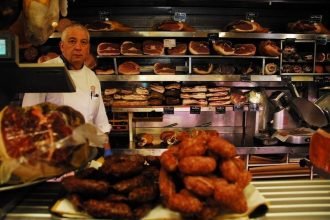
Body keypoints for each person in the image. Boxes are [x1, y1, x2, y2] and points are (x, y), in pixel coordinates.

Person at [22, 23, 112, 156]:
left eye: (83, 42)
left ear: (88, 48)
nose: (78, 47)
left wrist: (108, 153)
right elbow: (28, 118)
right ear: (62, 46)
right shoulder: (44, 72)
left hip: (85, 153)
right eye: (72, 41)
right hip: (54, 154)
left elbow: (99, 121)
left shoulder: (92, 77)